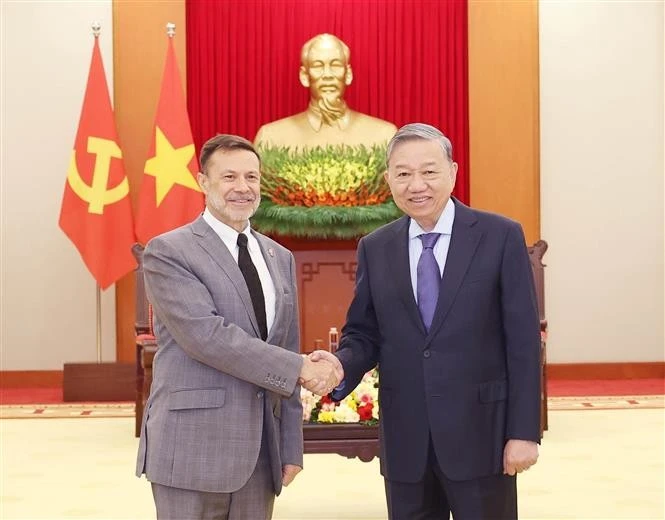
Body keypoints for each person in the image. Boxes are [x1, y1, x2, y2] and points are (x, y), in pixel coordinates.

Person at [313, 123, 541, 519]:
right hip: (407, 443)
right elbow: (364, 334)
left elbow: (522, 342)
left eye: (429, 171)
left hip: (482, 437)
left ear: (452, 172)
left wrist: (523, 433)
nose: (416, 184)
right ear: (388, 180)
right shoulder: (376, 246)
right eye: (403, 174)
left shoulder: (499, 236)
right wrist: (338, 366)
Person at [135, 134, 339, 520]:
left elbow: (285, 342)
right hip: (191, 447)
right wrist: (301, 368)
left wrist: (290, 444)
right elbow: (208, 337)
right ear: (203, 182)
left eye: (252, 177)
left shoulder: (279, 256)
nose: (242, 188)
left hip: (260, 454)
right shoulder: (169, 251)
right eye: (229, 177)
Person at [254, 33, 397, 149]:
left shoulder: (384, 136)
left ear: (348, 74)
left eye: (335, 65)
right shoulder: (271, 139)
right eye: (318, 66)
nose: (327, 75)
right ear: (304, 76)